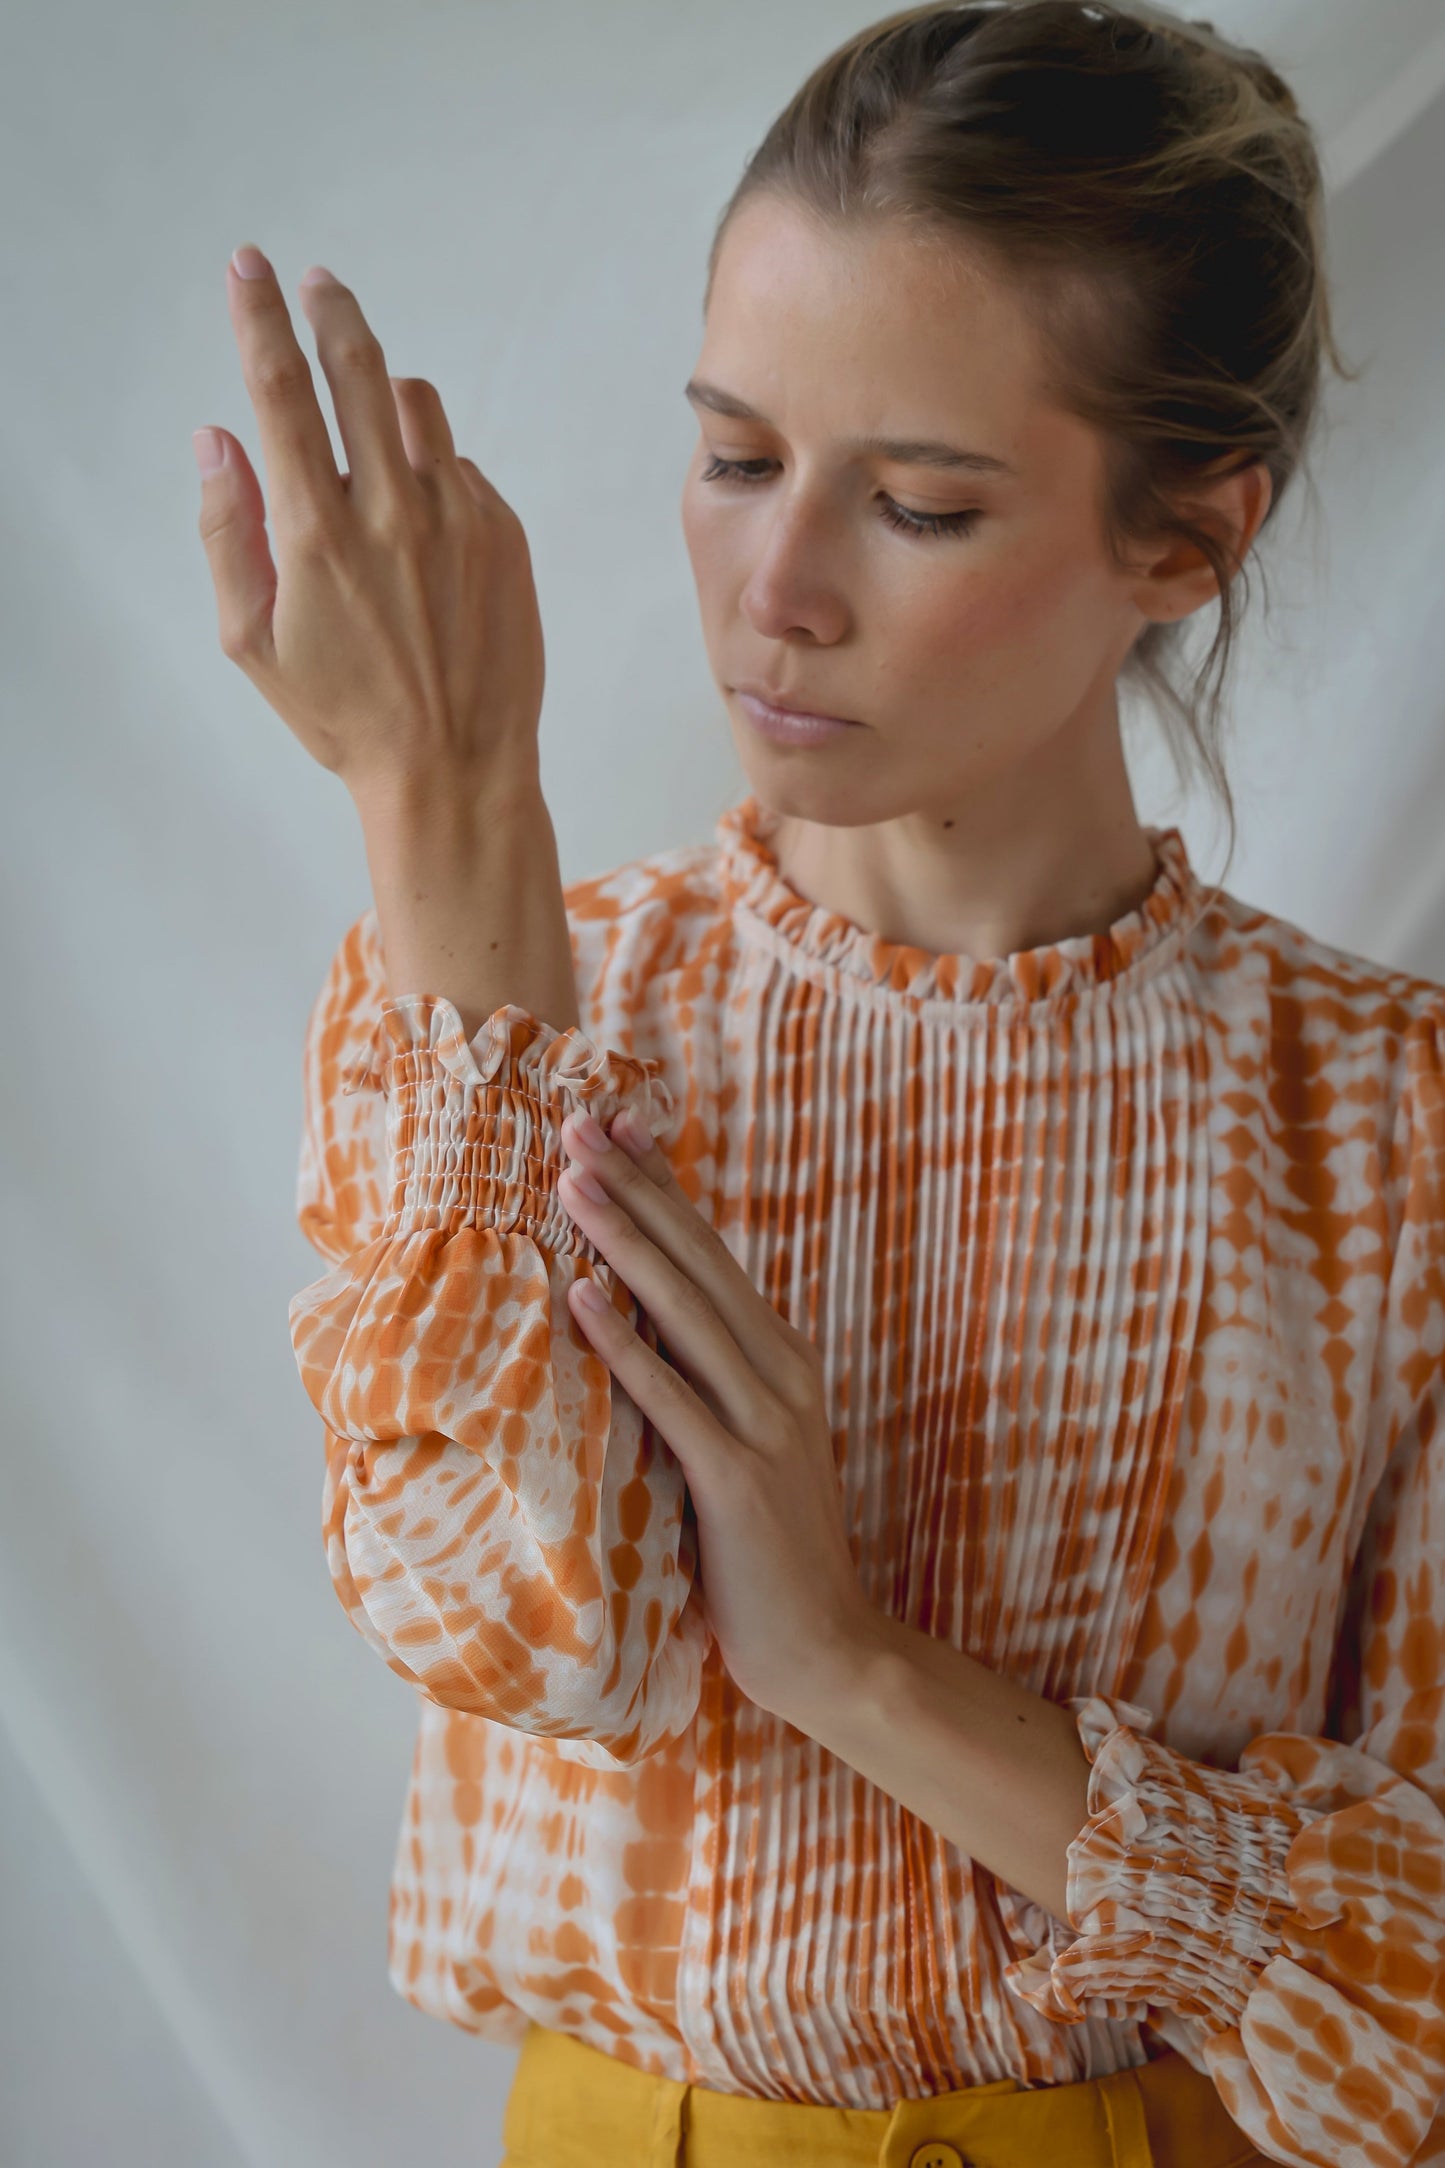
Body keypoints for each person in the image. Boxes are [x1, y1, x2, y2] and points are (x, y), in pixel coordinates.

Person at [192, 4, 1445, 2164]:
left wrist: (860, 1665)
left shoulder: (1393, 1127)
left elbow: (1415, 2010)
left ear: (1188, 539)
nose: (777, 595)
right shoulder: (514, 1003)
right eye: (740, 455)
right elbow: (507, 1618)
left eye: (925, 505)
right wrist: (445, 804)